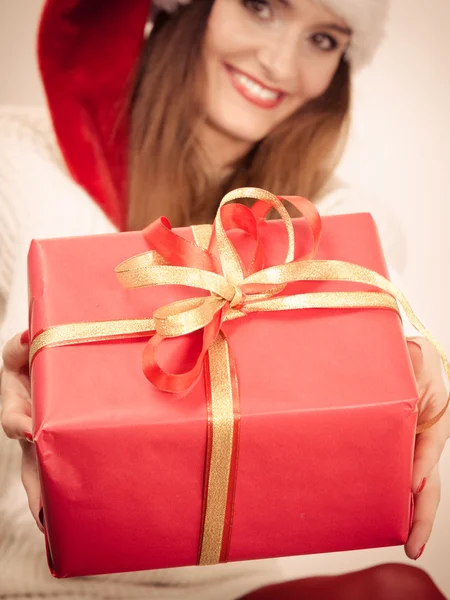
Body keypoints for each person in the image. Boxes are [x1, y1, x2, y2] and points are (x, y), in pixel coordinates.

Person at [0, 0, 448, 598]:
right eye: (261, 6)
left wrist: (415, 370)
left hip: (237, 587)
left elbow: (380, 367)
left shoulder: (326, 224)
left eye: (323, 39)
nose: (279, 62)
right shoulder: (17, 160)